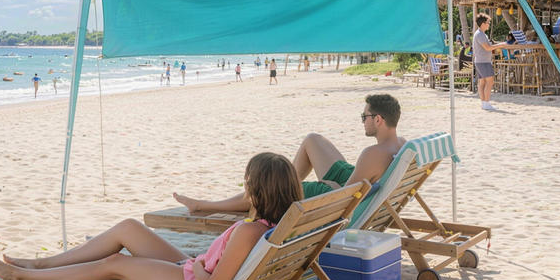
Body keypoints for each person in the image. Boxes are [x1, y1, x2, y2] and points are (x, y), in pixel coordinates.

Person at [0, 152, 301, 280]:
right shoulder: (274, 225)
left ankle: (21, 275)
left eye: (247, 183)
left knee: (115, 263)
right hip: (196, 274)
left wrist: (195, 268)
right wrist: (196, 265)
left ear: (256, 190)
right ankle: (42, 264)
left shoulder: (249, 231)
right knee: (128, 228)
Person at [172, 93, 406, 215]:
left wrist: (330, 185)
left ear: (378, 119)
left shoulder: (372, 153)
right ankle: (288, 181)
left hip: (339, 194)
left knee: (268, 188)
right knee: (312, 140)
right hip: (355, 181)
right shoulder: (401, 144)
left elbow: (347, 200)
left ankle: (203, 205)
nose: (362, 122)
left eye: (364, 117)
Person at [471, 14, 501, 111]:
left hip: (481, 61)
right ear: (483, 24)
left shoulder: (481, 34)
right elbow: (487, 48)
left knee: (482, 82)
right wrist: (500, 45)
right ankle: (486, 103)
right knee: (489, 81)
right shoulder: (480, 34)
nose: (489, 24)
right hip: (483, 62)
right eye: (488, 23)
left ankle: (484, 103)